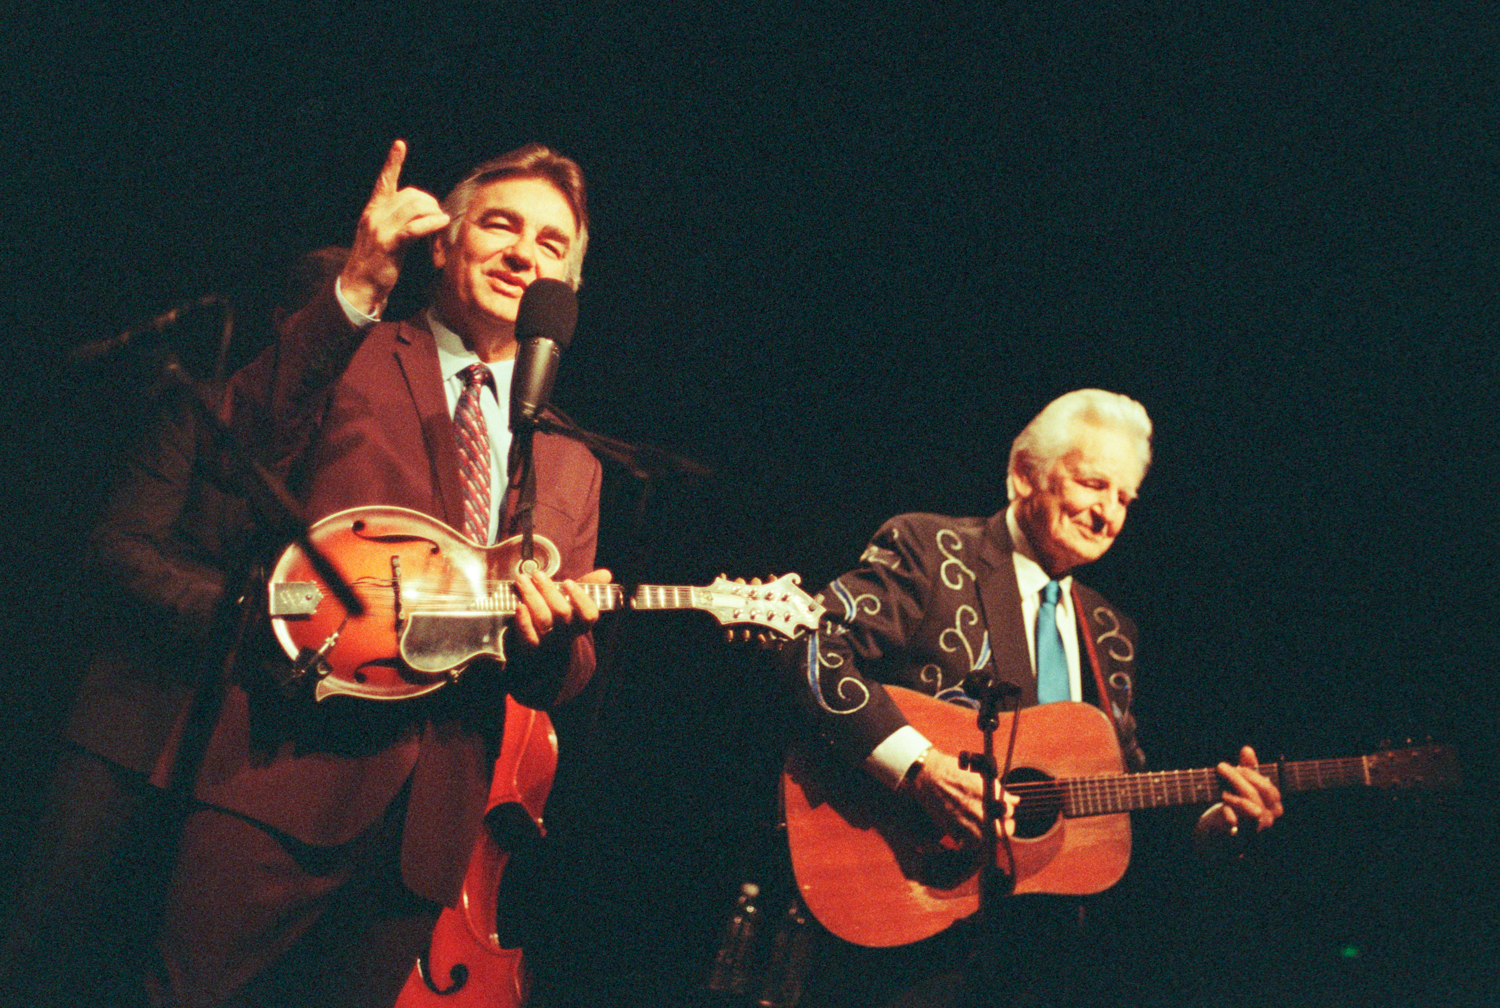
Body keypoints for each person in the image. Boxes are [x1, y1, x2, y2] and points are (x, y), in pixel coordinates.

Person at [143, 140, 607, 1008]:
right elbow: (235, 440)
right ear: (443, 242)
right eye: (500, 226)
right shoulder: (351, 349)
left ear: (568, 287)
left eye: (551, 246)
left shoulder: (573, 464)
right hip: (280, 766)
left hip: (425, 832)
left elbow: (556, 679)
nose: (522, 253)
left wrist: (560, 635)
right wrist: (354, 285)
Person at [785, 389, 1283, 1007]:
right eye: (1094, 485)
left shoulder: (1111, 632)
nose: (1109, 514)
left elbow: (1113, 797)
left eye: (1125, 498)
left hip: (1044, 961)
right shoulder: (930, 549)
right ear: (1025, 476)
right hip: (907, 928)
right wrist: (920, 767)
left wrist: (1214, 824)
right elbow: (809, 643)